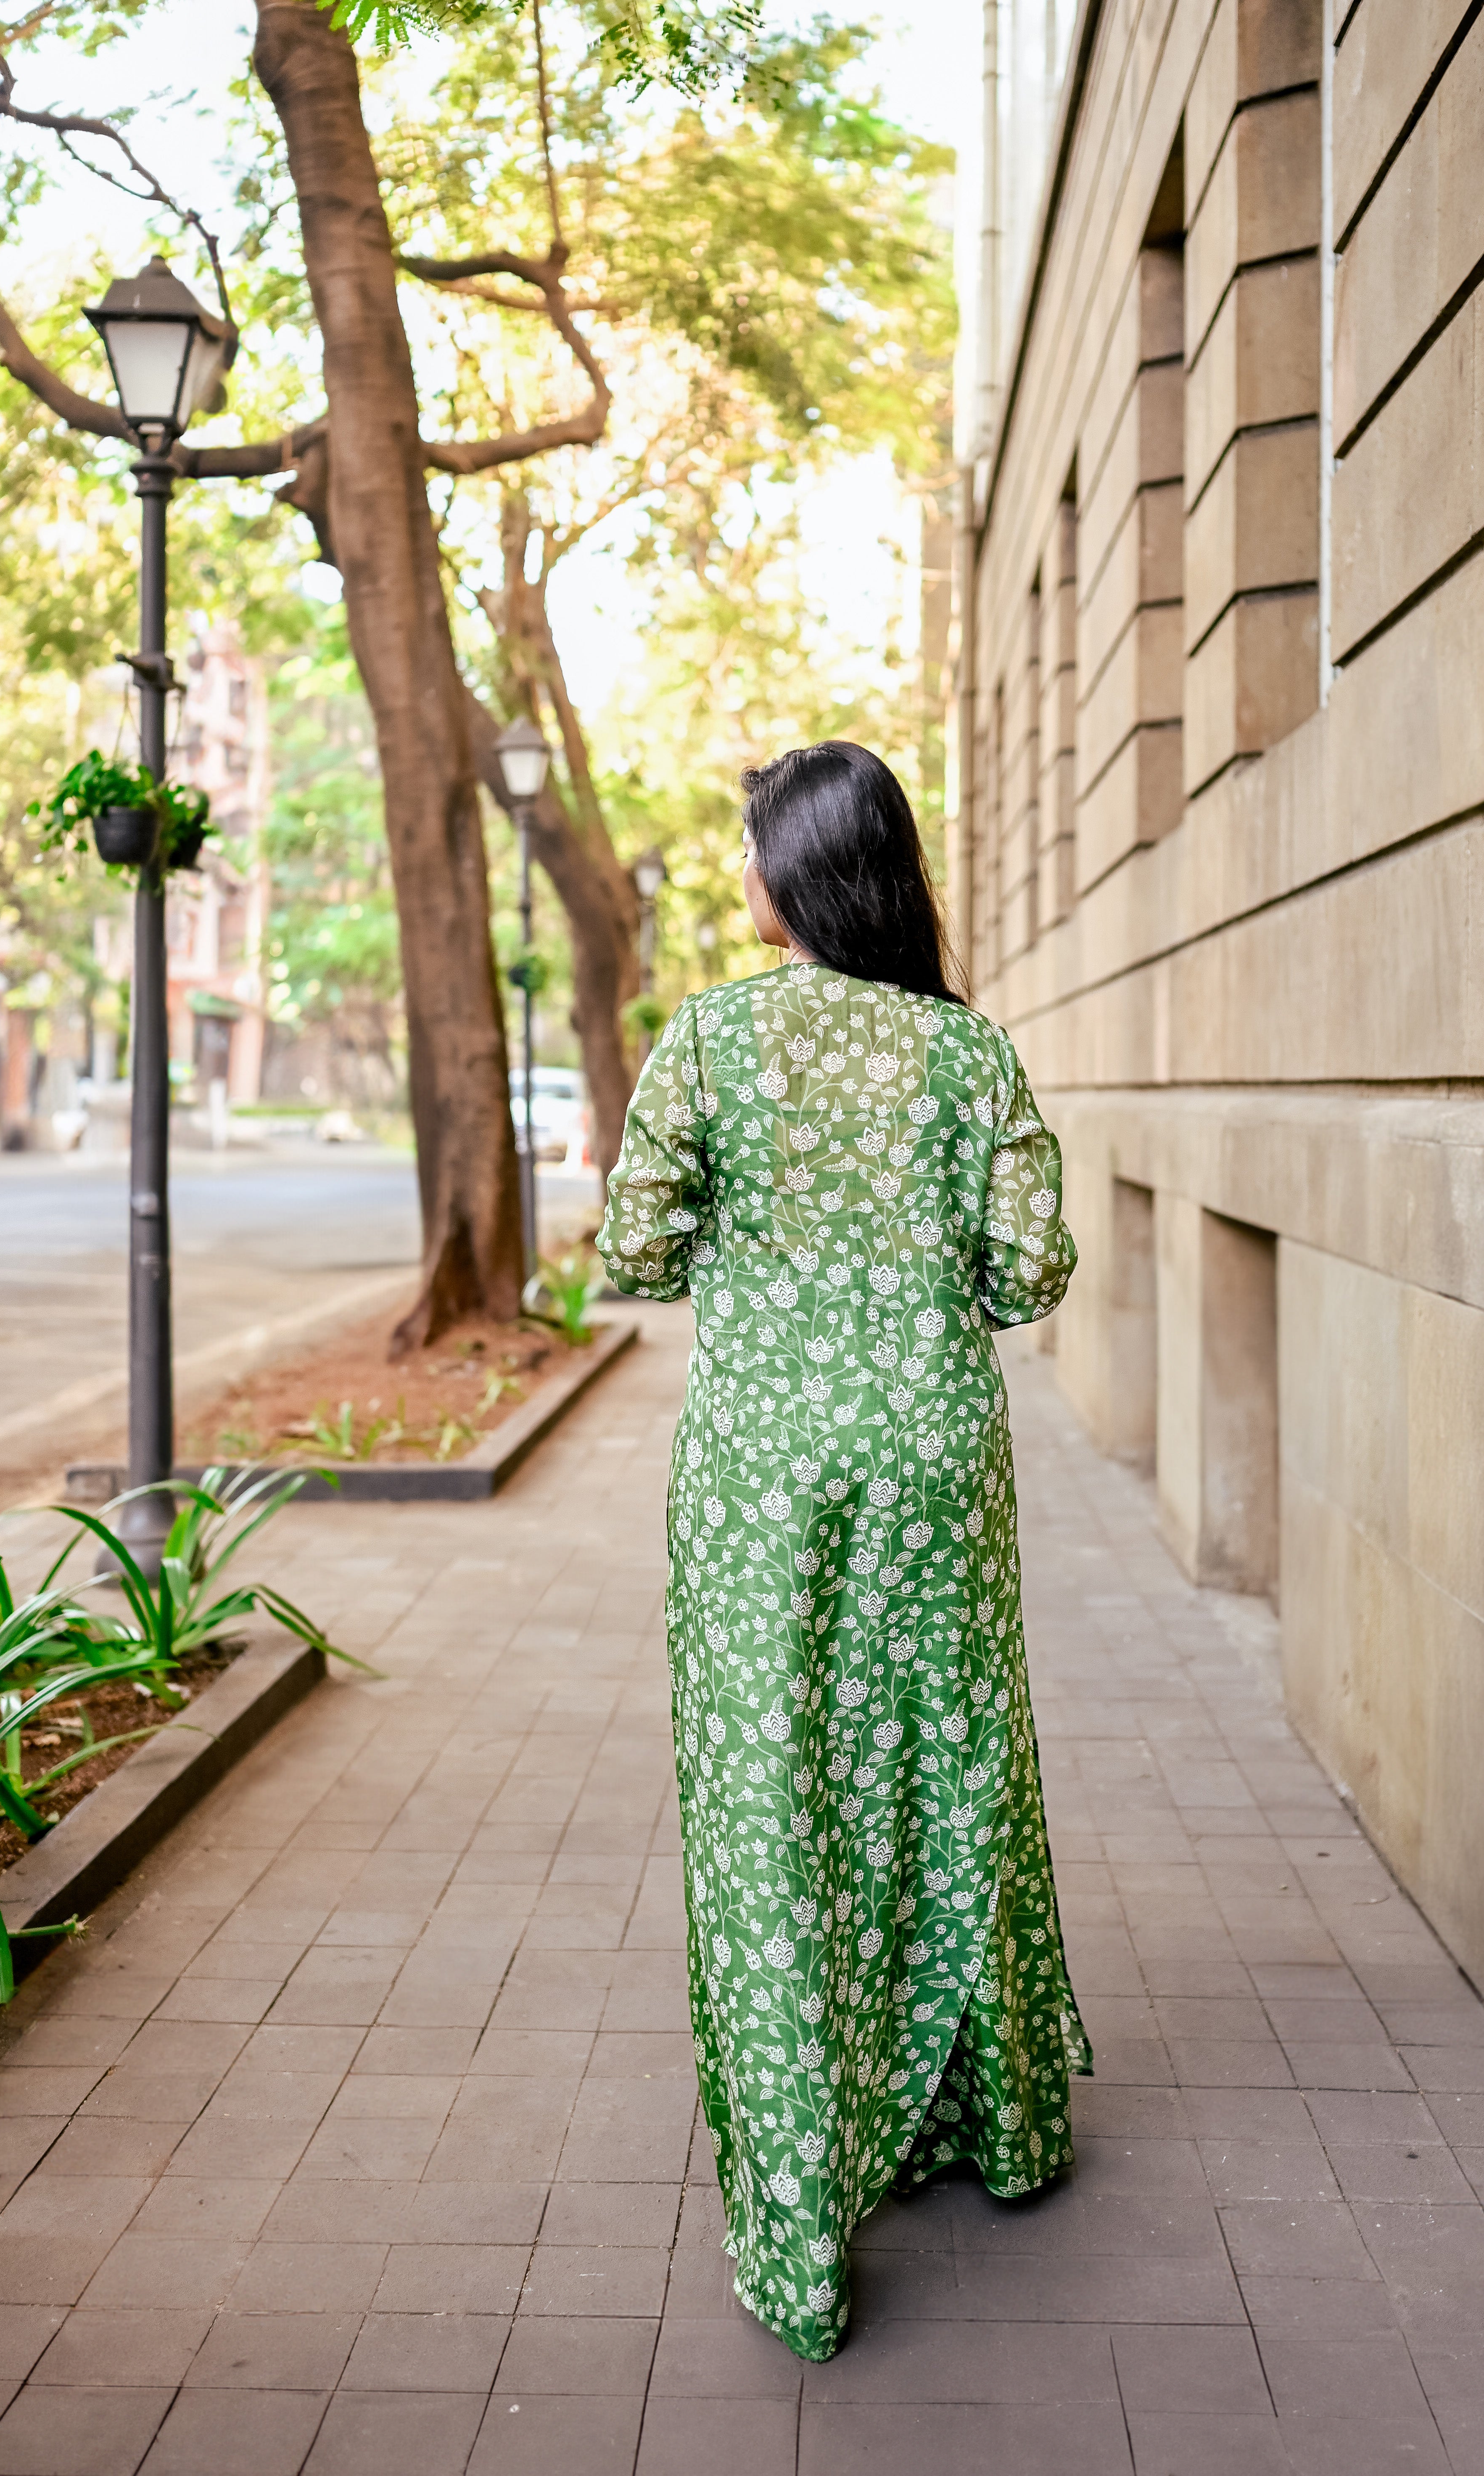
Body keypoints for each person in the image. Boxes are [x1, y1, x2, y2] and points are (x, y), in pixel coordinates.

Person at [597, 740, 1090, 2361]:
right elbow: (1030, 1277)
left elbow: (640, 1251)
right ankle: (996, 2129)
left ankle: (804, 2220)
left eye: (752, 852)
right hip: (936, 1467)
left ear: (797, 872)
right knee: (950, 1759)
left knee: (773, 1795)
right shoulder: (970, 1056)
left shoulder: (713, 1043)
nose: (741, 878)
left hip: (760, 1483)